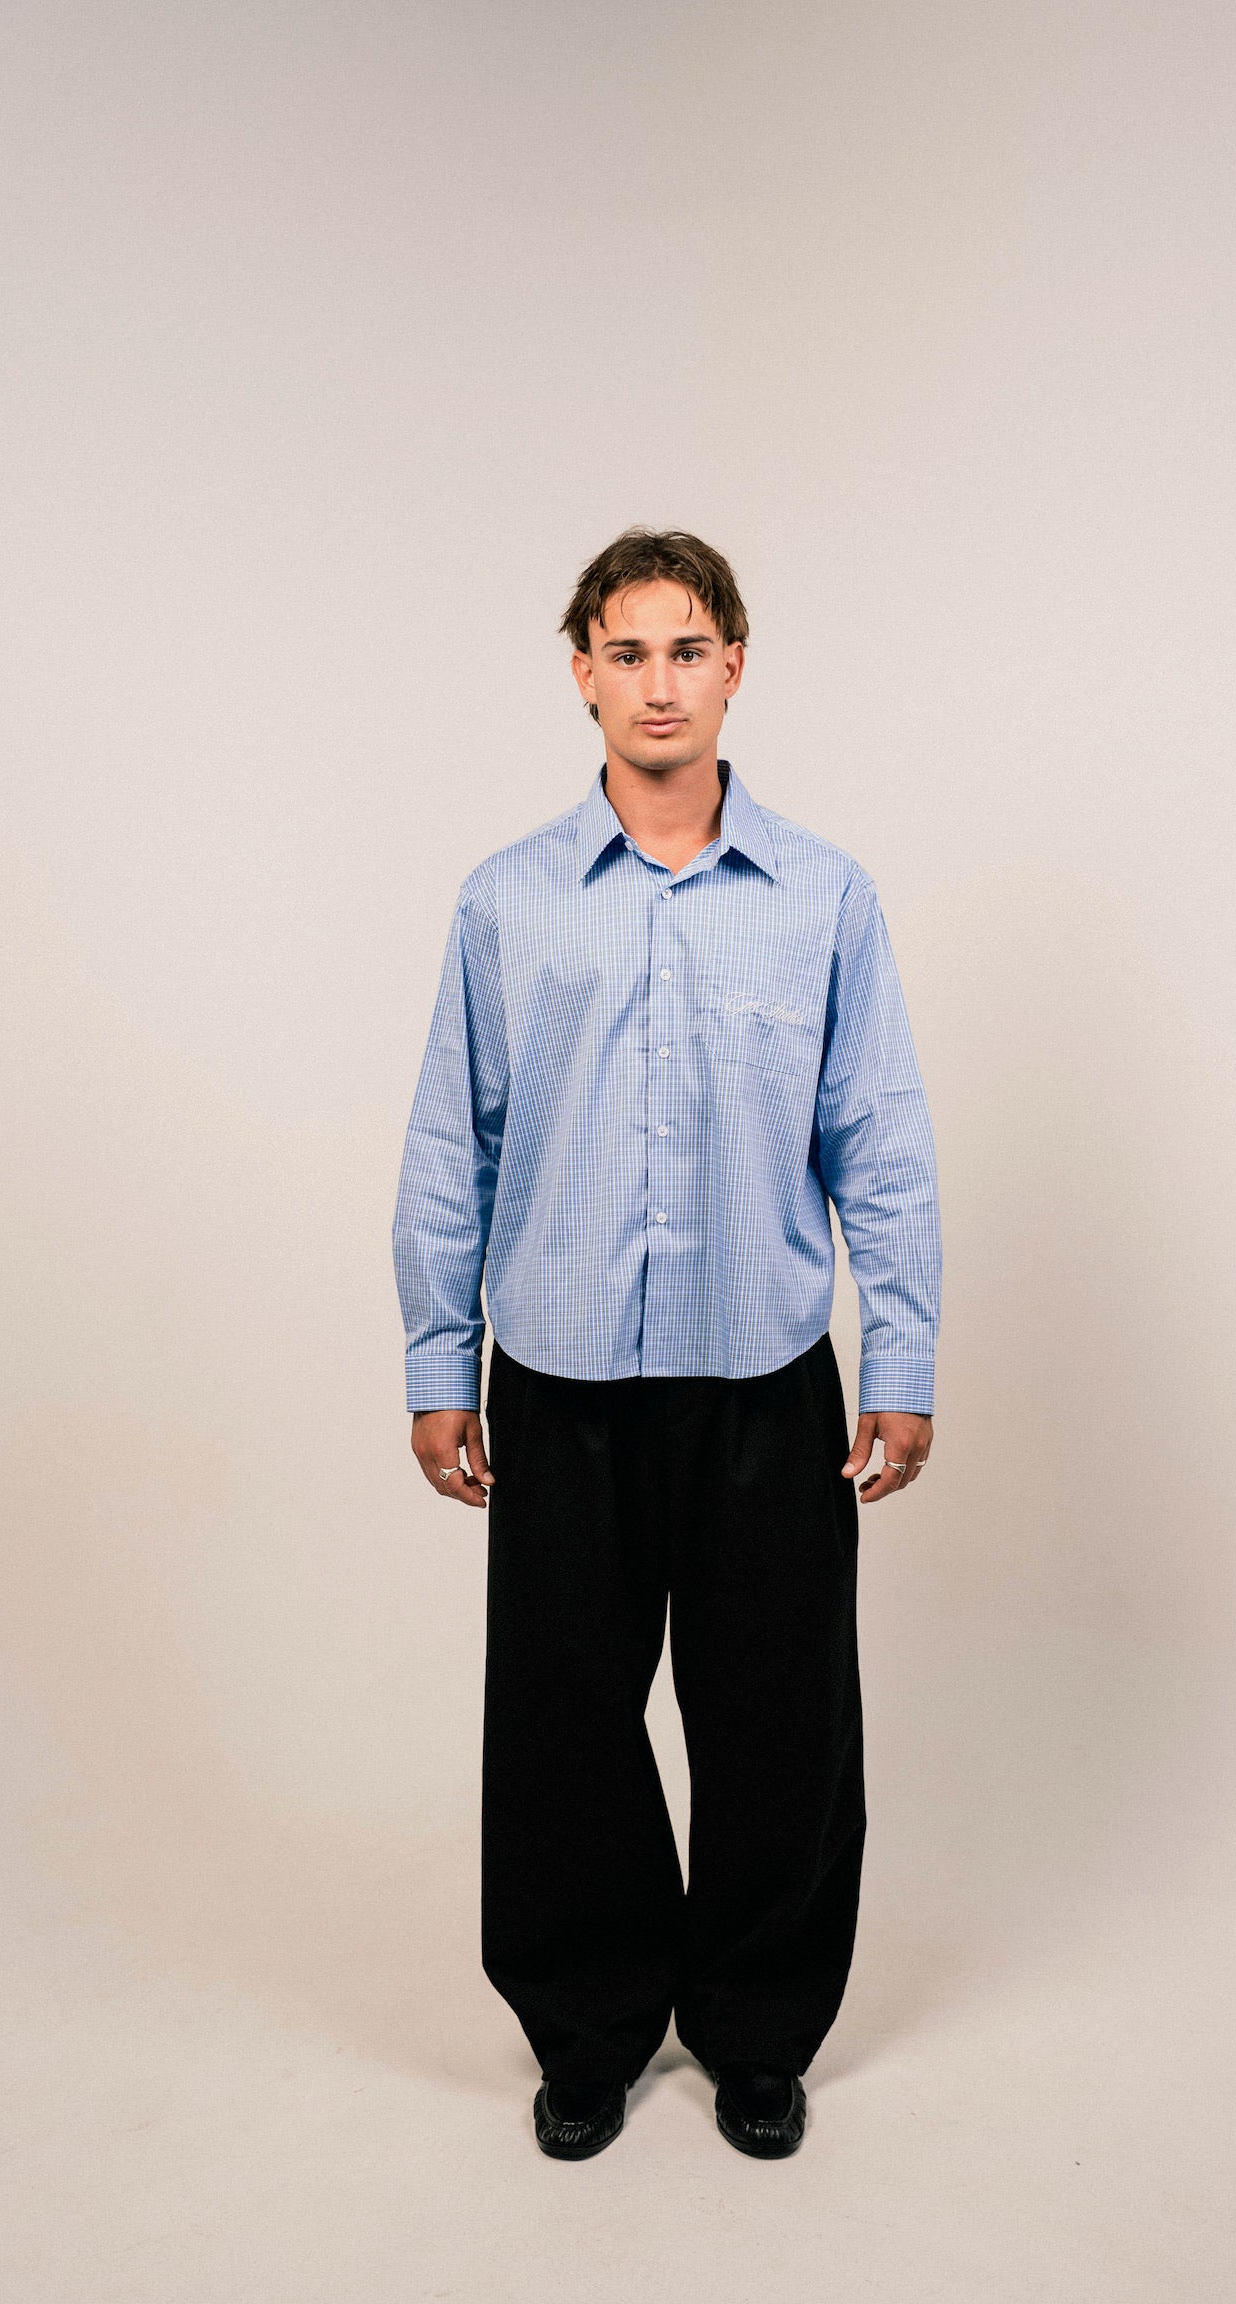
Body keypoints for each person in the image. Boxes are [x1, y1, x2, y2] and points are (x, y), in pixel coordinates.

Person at [393, 528, 941, 2161]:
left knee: (779, 1721)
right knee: (562, 1725)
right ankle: (589, 2028)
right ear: (582, 674)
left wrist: (901, 1356)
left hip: (766, 1377)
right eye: (626, 652)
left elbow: (880, 1140)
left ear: (735, 668)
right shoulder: (507, 903)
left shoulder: (826, 899)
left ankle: (759, 2031)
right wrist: (439, 1361)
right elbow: (454, 1144)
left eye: (686, 650)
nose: (658, 684)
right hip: (560, 1378)